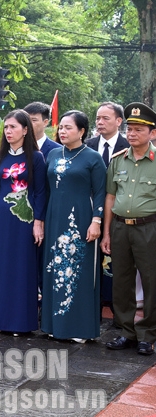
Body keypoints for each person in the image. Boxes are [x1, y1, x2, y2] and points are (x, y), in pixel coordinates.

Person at [39, 110, 106, 342]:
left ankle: (79, 328)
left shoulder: (93, 157)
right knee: (53, 268)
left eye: (68, 127)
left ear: (82, 131)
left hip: (80, 220)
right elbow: (44, 190)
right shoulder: (53, 154)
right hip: (54, 217)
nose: (63, 131)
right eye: (61, 127)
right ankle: (53, 325)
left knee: (78, 270)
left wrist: (96, 221)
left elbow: (100, 192)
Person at [0, 110, 46, 334]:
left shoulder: (36, 158)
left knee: (22, 268)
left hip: (24, 219)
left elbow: (39, 192)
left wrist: (39, 222)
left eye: (13, 127)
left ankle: (20, 323)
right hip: (0, 217)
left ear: (25, 130)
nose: (8, 131)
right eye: (6, 127)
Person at [102, 102, 156, 356]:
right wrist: (106, 232)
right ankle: (126, 331)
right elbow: (110, 197)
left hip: (149, 228)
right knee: (121, 281)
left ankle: (147, 333)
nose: (132, 134)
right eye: (130, 129)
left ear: (152, 133)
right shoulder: (118, 160)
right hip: (121, 227)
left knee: (151, 281)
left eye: (138, 130)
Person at [86, 101, 129, 320]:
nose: (100, 123)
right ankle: (92, 307)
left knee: (116, 265)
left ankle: (117, 312)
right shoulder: (88, 145)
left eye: (106, 118)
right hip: (89, 214)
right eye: (97, 118)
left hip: (118, 214)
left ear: (119, 121)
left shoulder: (128, 146)